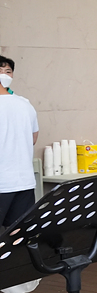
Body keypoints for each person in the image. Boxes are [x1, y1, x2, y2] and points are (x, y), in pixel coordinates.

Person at [0, 54, 38, 228]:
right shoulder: (25, 104)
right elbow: (33, 138)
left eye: (8, 71)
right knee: (18, 234)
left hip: (2, 183)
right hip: (24, 180)